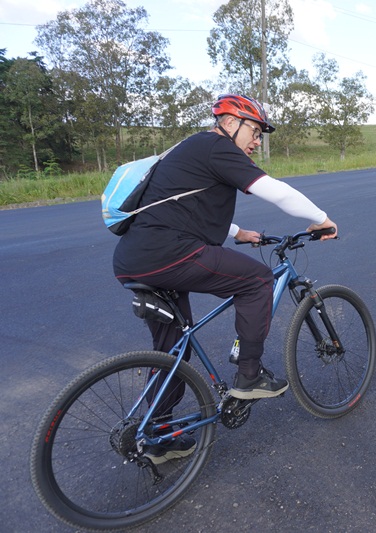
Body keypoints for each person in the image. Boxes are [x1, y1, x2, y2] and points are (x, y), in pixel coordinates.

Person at [113, 94, 337, 462]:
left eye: (262, 134)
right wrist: (322, 217)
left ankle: (159, 435)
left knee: (173, 351)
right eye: (254, 130)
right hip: (170, 253)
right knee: (258, 281)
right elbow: (274, 190)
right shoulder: (216, 145)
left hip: (134, 260)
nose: (258, 140)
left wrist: (237, 232)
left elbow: (181, 206)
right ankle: (249, 375)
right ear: (230, 123)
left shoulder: (189, 149)